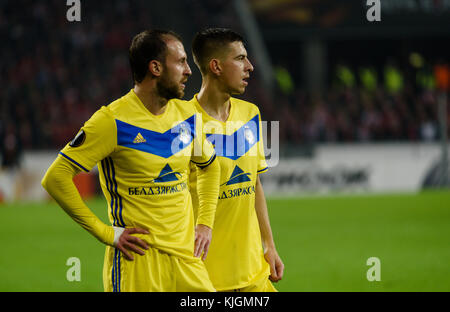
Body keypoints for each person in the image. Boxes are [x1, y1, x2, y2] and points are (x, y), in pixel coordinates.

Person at [41, 29, 220, 292]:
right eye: (180, 62)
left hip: (187, 261)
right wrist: (106, 233)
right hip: (136, 263)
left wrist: (204, 223)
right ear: (156, 68)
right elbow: (55, 178)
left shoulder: (188, 116)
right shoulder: (111, 120)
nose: (189, 71)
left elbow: (210, 166)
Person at [189, 28, 284, 292]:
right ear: (216, 66)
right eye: (241, 59)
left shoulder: (250, 113)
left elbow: (254, 184)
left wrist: (269, 245)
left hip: (254, 272)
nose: (250, 67)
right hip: (205, 278)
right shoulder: (182, 122)